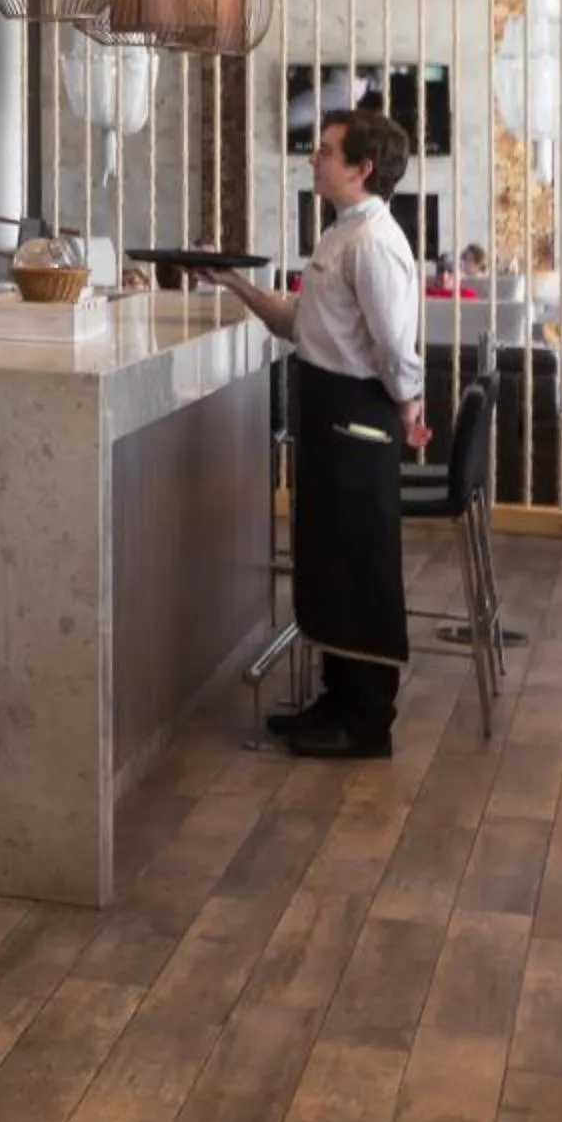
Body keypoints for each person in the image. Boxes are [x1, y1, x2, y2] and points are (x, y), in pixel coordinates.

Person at [202, 109, 429, 759]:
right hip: (328, 412)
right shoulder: (339, 234)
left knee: (359, 565)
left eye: (325, 151)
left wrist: (409, 407)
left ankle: (366, 723)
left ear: (361, 169)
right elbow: (300, 323)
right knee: (328, 561)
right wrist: (236, 283)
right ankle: (337, 699)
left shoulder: (374, 243)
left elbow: (395, 348)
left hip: (357, 416)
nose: (313, 158)